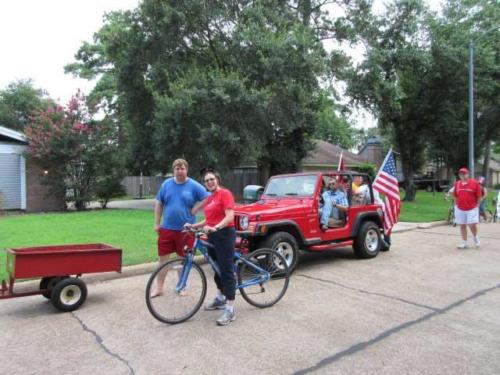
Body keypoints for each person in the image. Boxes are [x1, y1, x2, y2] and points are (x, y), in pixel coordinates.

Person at [185, 170, 237, 326]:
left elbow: (229, 216)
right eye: (206, 180)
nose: (209, 182)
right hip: (213, 235)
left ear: (217, 179)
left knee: (226, 271)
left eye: (212, 179)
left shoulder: (225, 194)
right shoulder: (210, 198)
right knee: (216, 269)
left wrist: (217, 227)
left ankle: (230, 310)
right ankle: (221, 298)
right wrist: (193, 225)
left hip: (225, 234)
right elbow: (209, 219)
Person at [151, 159, 209, 297]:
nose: (179, 171)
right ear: (173, 170)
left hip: (185, 231)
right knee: (162, 260)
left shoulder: (193, 185)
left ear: (186, 170)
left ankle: (181, 286)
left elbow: (208, 198)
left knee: (183, 259)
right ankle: (159, 288)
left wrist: (195, 209)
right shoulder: (166, 184)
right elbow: (159, 203)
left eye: (182, 168)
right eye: (177, 168)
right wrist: (157, 223)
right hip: (166, 229)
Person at [453, 167, 482, 249]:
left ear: (468, 174)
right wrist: (456, 205)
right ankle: (464, 242)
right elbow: (455, 195)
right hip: (460, 208)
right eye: (461, 174)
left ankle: (475, 237)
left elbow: (479, 195)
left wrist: (478, 204)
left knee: (471, 225)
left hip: (472, 208)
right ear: (459, 175)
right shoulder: (457, 184)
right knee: (462, 225)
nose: (462, 175)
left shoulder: (474, 183)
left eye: (464, 173)